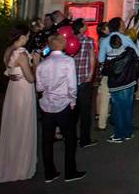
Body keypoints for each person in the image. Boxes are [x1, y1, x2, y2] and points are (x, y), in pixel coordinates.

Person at [35, 33, 84, 183]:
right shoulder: (67, 61)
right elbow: (72, 85)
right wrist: (73, 101)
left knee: (47, 140)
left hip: (46, 105)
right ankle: (70, 171)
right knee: (70, 138)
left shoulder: (43, 64)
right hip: (63, 104)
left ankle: (49, 172)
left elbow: (39, 87)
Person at [0, 25, 37, 182]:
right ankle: (20, 166)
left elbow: (9, 71)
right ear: (22, 36)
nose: (28, 38)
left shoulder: (8, 50)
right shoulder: (21, 54)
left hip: (13, 90)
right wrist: (36, 63)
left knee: (13, 125)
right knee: (23, 125)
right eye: (27, 36)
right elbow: (31, 78)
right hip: (23, 90)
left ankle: (10, 161)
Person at [101, 34, 139, 143]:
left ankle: (119, 135)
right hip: (129, 84)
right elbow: (137, 65)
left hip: (116, 86)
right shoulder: (130, 52)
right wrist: (134, 78)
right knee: (127, 109)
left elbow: (104, 71)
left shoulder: (109, 58)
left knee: (118, 111)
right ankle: (128, 132)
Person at [71, 19, 97, 148]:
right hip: (84, 79)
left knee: (73, 110)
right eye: (85, 24)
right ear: (81, 28)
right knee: (85, 111)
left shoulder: (69, 40)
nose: (87, 26)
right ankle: (84, 139)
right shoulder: (88, 41)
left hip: (72, 80)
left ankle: (70, 137)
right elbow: (92, 58)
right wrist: (91, 75)